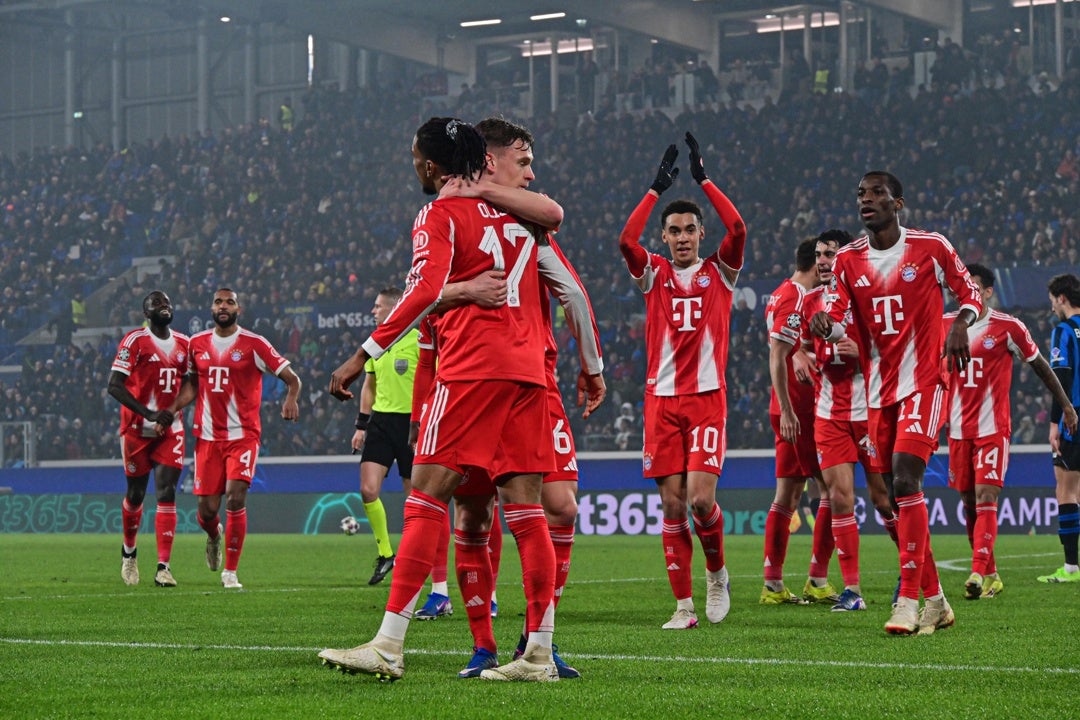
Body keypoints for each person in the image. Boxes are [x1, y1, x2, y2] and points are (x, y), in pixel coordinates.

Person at [319, 117, 560, 682]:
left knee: (427, 497)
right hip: (529, 374)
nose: (413, 165)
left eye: (413, 157)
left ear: (430, 164)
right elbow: (556, 232)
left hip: (473, 369)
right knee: (525, 509)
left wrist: (362, 354)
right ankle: (540, 654)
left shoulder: (438, 213)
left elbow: (424, 291)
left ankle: (388, 644)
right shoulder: (519, 213)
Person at [434, 116, 606, 678]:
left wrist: (588, 366)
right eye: (523, 161)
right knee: (477, 514)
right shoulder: (486, 219)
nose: (531, 174)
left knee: (553, 507)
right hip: (482, 381)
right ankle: (485, 646)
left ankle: (539, 641)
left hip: (528, 383)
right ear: (489, 160)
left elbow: (573, 294)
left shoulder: (519, 221)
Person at [809, 170, 983, 635]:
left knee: (906, 478)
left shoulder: (931, 247)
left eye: (877, 193)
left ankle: (906, 599)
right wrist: (825, 322)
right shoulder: (848, 259)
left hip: (925, 381)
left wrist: (961, 322)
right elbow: (834, 308)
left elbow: (970, 296)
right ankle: (938, 601)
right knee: (891, 496)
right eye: (861, 195)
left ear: (898, 203)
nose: (867, 200)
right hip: (879, 392)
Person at [617, 132, 746, 629]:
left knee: (699, 500)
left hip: (707, 399)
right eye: (675, 231)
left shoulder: (722, 273)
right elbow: (626, 240)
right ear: (666, 238)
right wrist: (655, 189)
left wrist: (705, 178)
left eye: (692, 228)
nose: (685, 236)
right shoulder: (652, 274)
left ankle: (717, 574)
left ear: (700, 234)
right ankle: (684, 607)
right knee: (671, 506)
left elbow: (738, 225)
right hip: (660, 402)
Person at [945, 263, 1076, 597]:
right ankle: (990, 573)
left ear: (988, 291)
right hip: (958, 430)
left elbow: (1042, 367)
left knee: (986, 495)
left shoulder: (1008, 327)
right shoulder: (945, 325)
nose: (968, 293)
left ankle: (976, 572)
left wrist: (1066, 406)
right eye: (964, 287)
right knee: (969, 502)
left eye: (974, 286)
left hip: (993, 429)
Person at [167, 288, 301, 589]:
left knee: (236, 496)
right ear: (212, 308)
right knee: (207, 512)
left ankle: (231, 571)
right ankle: (214, 536)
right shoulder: (196, 344)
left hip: (243, 436)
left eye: (229, 302)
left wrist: (291, 399)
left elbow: (292, 378)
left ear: (238, 309)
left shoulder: (254, 344)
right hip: (207, 439)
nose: (223, 306)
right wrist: (171, 409)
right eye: (218, 302)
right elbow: (191, 387)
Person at [802, 230, 898, 612]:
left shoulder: (867, 298)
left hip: (869, 408)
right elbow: (803, 347)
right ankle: (853, 591)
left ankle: (912, 571)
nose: (824, 261)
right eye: (819, 255)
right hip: (829, 413)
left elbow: (891, 349)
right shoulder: (810, 303)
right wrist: (800, 357)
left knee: (883, 497)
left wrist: (863, 353)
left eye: (831, 254)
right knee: (840, 497)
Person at [763, 238, 835, 605]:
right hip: (801, 409)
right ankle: (818, 578)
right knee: (834, 489)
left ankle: (773, 584)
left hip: (788, 406)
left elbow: (788, 348)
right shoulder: (797, 298)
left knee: (788, 494)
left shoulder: (778, 294)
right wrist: (790, 410)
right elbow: (778, 353)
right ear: (814, 264)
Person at [107, 290, 189, 587]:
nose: (164, 305)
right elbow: (114, 386)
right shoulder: (134, 342)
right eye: (156, 303)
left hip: (171, 430)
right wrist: (148, 413)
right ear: (146, 313)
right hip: (136, 431)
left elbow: (191, 385)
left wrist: (169, 412)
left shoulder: (184, 344)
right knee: (136, 494)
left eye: (167, 301)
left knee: (166, 491)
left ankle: (163, 567)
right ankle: (129, 554)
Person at [352, 286, 418, 586]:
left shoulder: (419, 340)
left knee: (415, 499)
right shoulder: (374, 343)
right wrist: (361, 426)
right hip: (381, 422)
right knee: (368, 490)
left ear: (393, 309)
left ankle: (413, 558)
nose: (373, 311)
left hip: (411, 425)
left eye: (377, 306)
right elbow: (369, 384)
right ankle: (385, 553)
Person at [1038, 273, 1080, 582]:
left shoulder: (1063, 331)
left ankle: (1070, 568)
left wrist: (1056, 421)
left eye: (1053, 300)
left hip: (1074, 416)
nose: (1051, 305)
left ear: (1062, 298)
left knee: (1066, 488)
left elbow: (1060, 375)